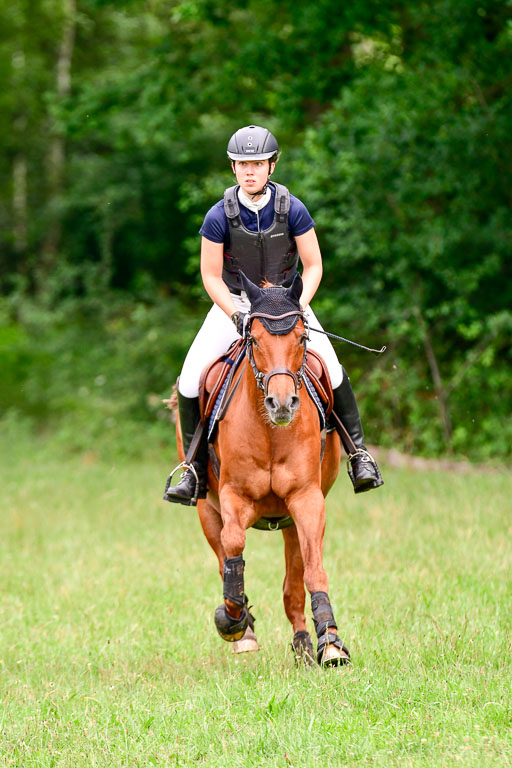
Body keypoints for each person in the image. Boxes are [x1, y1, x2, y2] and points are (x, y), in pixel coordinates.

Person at [164, 125, 383, 505]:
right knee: (190, 378)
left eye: (257, 164)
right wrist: (234, 314)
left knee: (332, 370)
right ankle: (193, 470)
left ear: (271, 166)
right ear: (233, 168)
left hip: (287, 306)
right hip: (236, 305)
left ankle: (359, 455)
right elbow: (210, 276)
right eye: (242, 164)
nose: (250, 171)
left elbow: (313, 266)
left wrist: (298, 305)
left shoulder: (293, 209)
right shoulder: (217, 215)